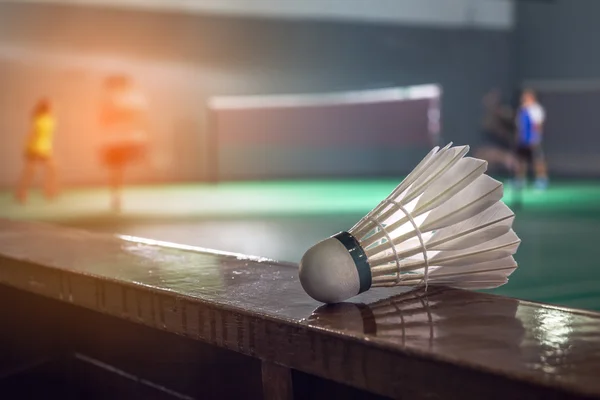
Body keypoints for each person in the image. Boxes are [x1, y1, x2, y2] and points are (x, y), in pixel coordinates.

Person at [99, 74, 149, 211]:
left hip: (127, 140)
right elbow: (104, 118)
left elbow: (139, 113)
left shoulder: (132, 98)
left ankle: (118, 195)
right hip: (113, 141)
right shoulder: (110, 99)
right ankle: (116, 196)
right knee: (116, 169)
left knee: (120, 169)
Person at [15, 98, 58, 204]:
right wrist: (28, 147)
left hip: (45, 149)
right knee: (30, 171)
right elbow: (33, 133)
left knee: (52, 169)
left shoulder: (51, 120)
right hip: (34, 148)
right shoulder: (38, 119)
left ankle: (48, 191)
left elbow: (48, 136)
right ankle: (21, 193)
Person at [474, 89, 517, 174]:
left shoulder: (505, 114)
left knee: (510, 160)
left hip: (507, 151)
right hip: (492, 150)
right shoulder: (486, 120)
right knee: (481, 157)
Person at [515, 89, 548, 190]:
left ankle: (542, 181)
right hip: (523, 140)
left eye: (526, 97)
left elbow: (538, 125)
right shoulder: (522, 110)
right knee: (521, 160)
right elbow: (520, 126)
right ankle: (520, 180)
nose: (523, 99)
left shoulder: (536, 109)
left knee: (537, 160)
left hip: (533, 140)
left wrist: (535, 138)